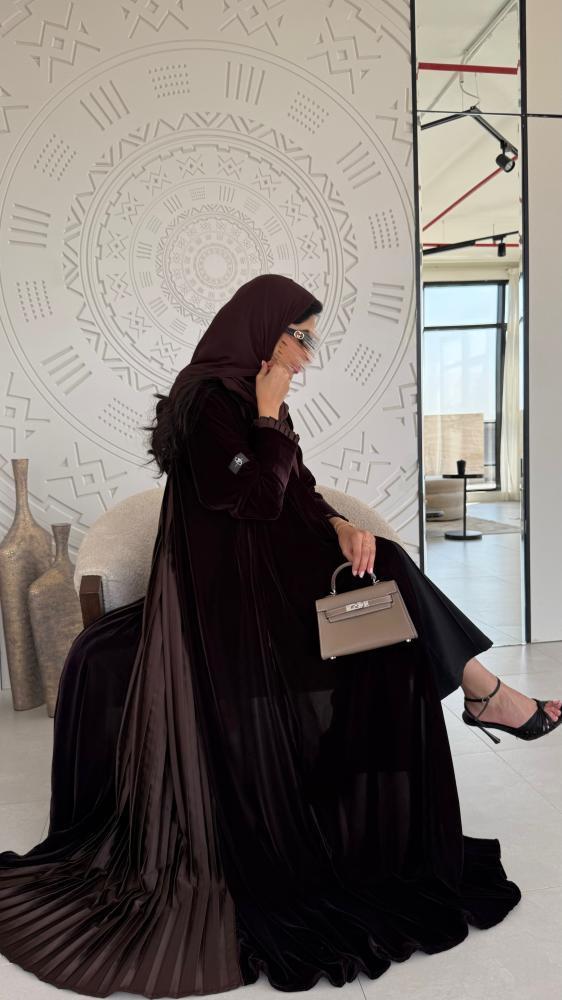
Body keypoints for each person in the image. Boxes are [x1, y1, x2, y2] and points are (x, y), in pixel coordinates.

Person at [0, 274, 558, 998]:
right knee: (390, 573)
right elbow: (254, 500)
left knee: (383, 565)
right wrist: (266, 415)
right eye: (301, 339)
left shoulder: (254, 394)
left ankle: (477, 702)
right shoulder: (207, 400)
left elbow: (298, 489)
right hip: (229, 598)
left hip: (273, 576)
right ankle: (485, 695)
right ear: (264, 328)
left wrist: (340, 523)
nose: (306, 357)